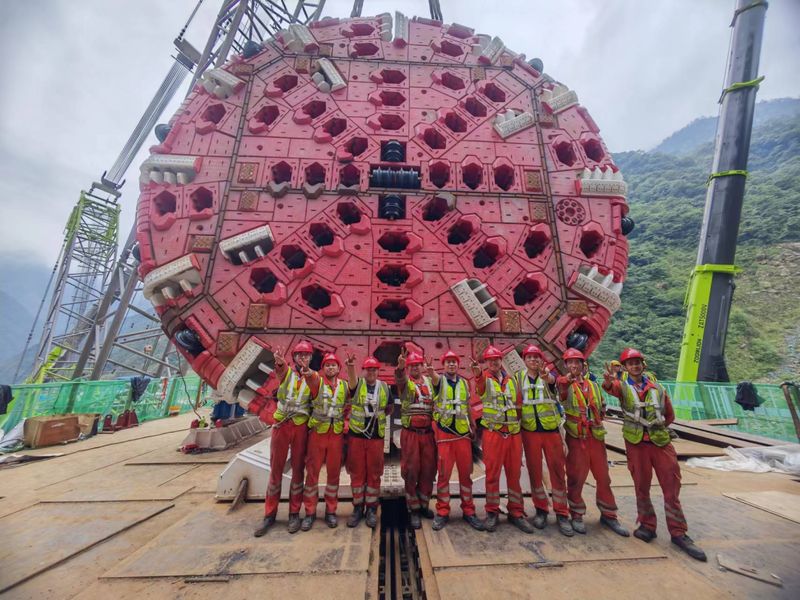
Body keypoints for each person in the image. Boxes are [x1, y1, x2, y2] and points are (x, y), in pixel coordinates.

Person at [603, 348, 707, 561]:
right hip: (636, 443)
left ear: (643, 364)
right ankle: (647, 525)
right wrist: (607, 381)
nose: (635, 366)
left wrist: (655, 428)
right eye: (630, 363)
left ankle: (678, 532)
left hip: (660, 442)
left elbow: (669, 415)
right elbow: (611, 388)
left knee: (671, 487)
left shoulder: (657, 388)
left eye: (637, 362)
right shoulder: (622, 387)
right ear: (625, 367)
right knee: (641, 486)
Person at [557, 348, 628, 537]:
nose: (574, 365)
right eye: (570, 362)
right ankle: (577, 514)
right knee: (576, 478)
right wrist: (568, 379)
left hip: (595, 437)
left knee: (603, 477)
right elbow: (561, 387)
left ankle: (609, 515)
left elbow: (601, 404)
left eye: (577, 362)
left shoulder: (594, 385)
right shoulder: (564, 384)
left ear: (583, 365)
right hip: (576, 438)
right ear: (566, 365)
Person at [473, 345, 533, 533]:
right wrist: (477, 374)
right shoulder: (484, 380)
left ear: (501, 361)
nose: (494, 362)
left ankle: (516, 512)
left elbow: (519, 405)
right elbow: (480, 387)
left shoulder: (511, 381)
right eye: (490, 360)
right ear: (486, 362)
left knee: (514, 475)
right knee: (492, 475)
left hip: (513, 434)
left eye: (497, 359)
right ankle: (492, 512)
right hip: (494, 434)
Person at [254, 341, 313, 537]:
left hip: (300, 426)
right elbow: (281, 371)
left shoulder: (313, 378)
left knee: (298, 471)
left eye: (306, 355)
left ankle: (294, 514)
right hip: (282, 425)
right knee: (276, 470)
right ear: (294, 358)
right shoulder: (288, 373)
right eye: (300, 355)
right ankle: (269, 514)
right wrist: (279, 362)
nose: (303, 358)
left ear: (311, 358)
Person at [515, 345, 573, 536]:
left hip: (550, 430)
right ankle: (541, 509)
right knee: (535, 472)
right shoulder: (518, 378)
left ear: (541, 359)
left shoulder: (548, 375)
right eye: (529, 357)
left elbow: (553, 383)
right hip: (530, 431)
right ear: (524, 360)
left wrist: (546, 376)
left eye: (536, 357)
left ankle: (562, 513)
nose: (533, 360)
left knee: (557, 472)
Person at [429, 350, 483, 531]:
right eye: (448, 362)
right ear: (443, 365)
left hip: (462, 435)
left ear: (458, 365)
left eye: (454, 362)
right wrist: (430, 371)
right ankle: (442, 511)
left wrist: (472, 425)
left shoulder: (464, 383)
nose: (451, 364)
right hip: (445, 435)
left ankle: (469, 511)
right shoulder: (439, 381)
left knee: (465, 475)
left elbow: (466, 405)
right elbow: (434, 378)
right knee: (444, 475)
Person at [300, 353, 348, 530]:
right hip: (318, 433)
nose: (330, 367)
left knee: (333, 475)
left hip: (336, 434)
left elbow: (349, 406)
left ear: (339, 368)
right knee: (312, 474)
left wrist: (346, 423)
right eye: (327, 365)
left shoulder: (344, 385)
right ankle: (310, 512)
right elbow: (311, 378)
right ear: (322, 368)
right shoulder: (318, 382)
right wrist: (307, 370)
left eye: (333, 365)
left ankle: (331, 511)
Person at [345, 355, 392, 529]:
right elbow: (351, 380)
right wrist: (351, 366)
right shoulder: (357, 385)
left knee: (374, 473)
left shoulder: (384, 387)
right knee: (357, 473)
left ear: (378, 371)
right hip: (357, 436)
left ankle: (371, 509)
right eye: (368, 369)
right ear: (364, 371)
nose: (371, 372)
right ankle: (358, 508)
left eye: (374, 369)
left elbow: (389, 408)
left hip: (375, 438)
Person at [395, 348, 437, 529]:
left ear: (422, 366)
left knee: (428, 470)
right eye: (411, 365)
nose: (415, 368)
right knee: (411, 470)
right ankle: (413, 509)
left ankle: (424, 505)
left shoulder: (429, 382)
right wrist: (400, 368)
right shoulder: (406, 384)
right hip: (411, 434)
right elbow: (400, 379)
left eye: (417, 365)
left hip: (427, 434)